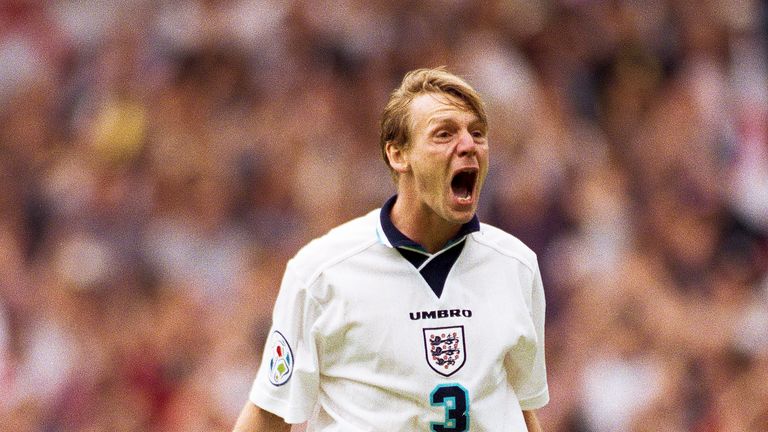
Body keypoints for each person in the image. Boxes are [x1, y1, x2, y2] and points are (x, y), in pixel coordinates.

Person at [233, 67, 548, 431]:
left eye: (477, 133)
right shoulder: (321, 272)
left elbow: (520, 408)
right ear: (399, 155)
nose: (468, 145)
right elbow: (269, 414)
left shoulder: (516, 265)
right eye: (444, 134)